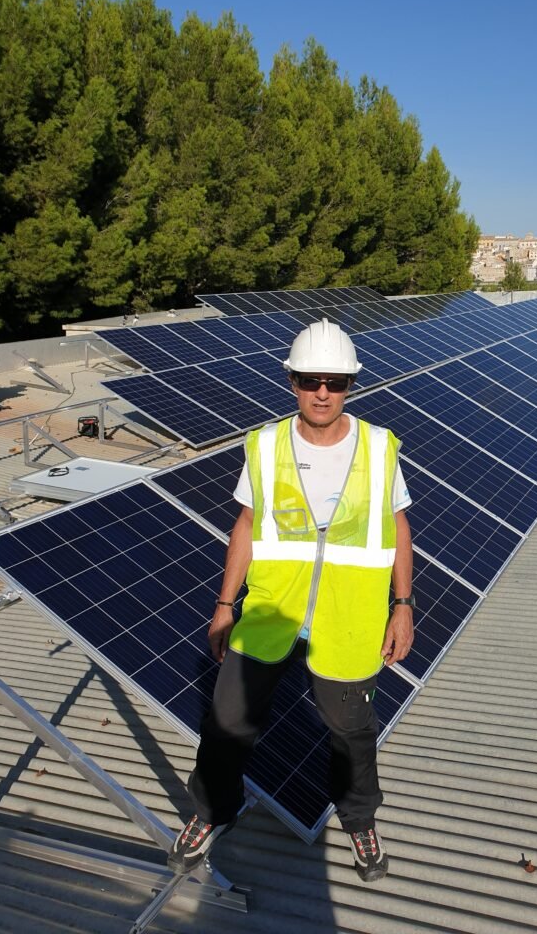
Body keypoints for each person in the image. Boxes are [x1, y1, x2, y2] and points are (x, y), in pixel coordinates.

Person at [168, 318, 414, 883]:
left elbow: (398, 527)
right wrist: (225, 604)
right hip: (271, 611)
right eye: (309, 380)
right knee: (228, 721)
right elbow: (247, 526)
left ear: (350, 383)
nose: (322, 392)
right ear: (291, 381)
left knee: (352, 733)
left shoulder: (379, 447)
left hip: (349, 619)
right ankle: (209, 813)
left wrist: (403, 605)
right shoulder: (265, 444)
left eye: (334, 381)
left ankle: (358, 822)